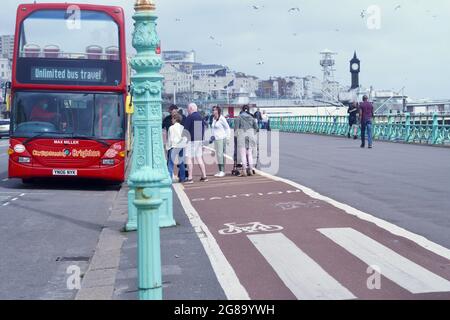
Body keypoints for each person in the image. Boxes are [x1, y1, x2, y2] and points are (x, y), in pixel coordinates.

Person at [184, 103, 208, 183]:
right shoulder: (200, 117)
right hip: (199, 140)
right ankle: (204, 176)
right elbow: (202, 129)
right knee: (199, 158)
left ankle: (190, 177)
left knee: (189, 158)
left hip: (190, 140)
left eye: (188, 109)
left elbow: (186, 130)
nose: (187, 110)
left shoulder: (190, 117)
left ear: (191, 108)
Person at [235, 105, 258, 177]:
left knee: (243, 154)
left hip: (242, 134)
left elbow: (236, 129)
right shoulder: (252, 117)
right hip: (251, 135)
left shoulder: (239, 117)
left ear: (242, 110)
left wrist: (236, 137)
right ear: (248, 110)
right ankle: (250, 170)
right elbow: (257, 128)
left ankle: (244, 171)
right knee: (250, 154)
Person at [211, 106, 231, 178]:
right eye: (213, 110)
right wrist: (212, 137)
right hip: (216, 139)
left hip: (221, 138)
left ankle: (222, 171)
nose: (213, 111)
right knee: (218, 155)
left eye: (214, 110)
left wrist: (228, 138)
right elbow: (213, 129)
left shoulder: (222, 118)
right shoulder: (213, 118)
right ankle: (220, 170)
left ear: (218, 111)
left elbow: (228, 128)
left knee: (220, 155)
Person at [166, 113, 187, 183]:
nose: (171, 120)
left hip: (174, 146)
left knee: (170, 163)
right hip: (181, 146)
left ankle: (169, 178)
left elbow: (170, 138)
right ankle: (182, 177)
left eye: (172, 118)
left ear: (175, 119)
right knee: (181, 163)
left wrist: (168, 147)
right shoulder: (182, 127)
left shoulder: (171, 128)